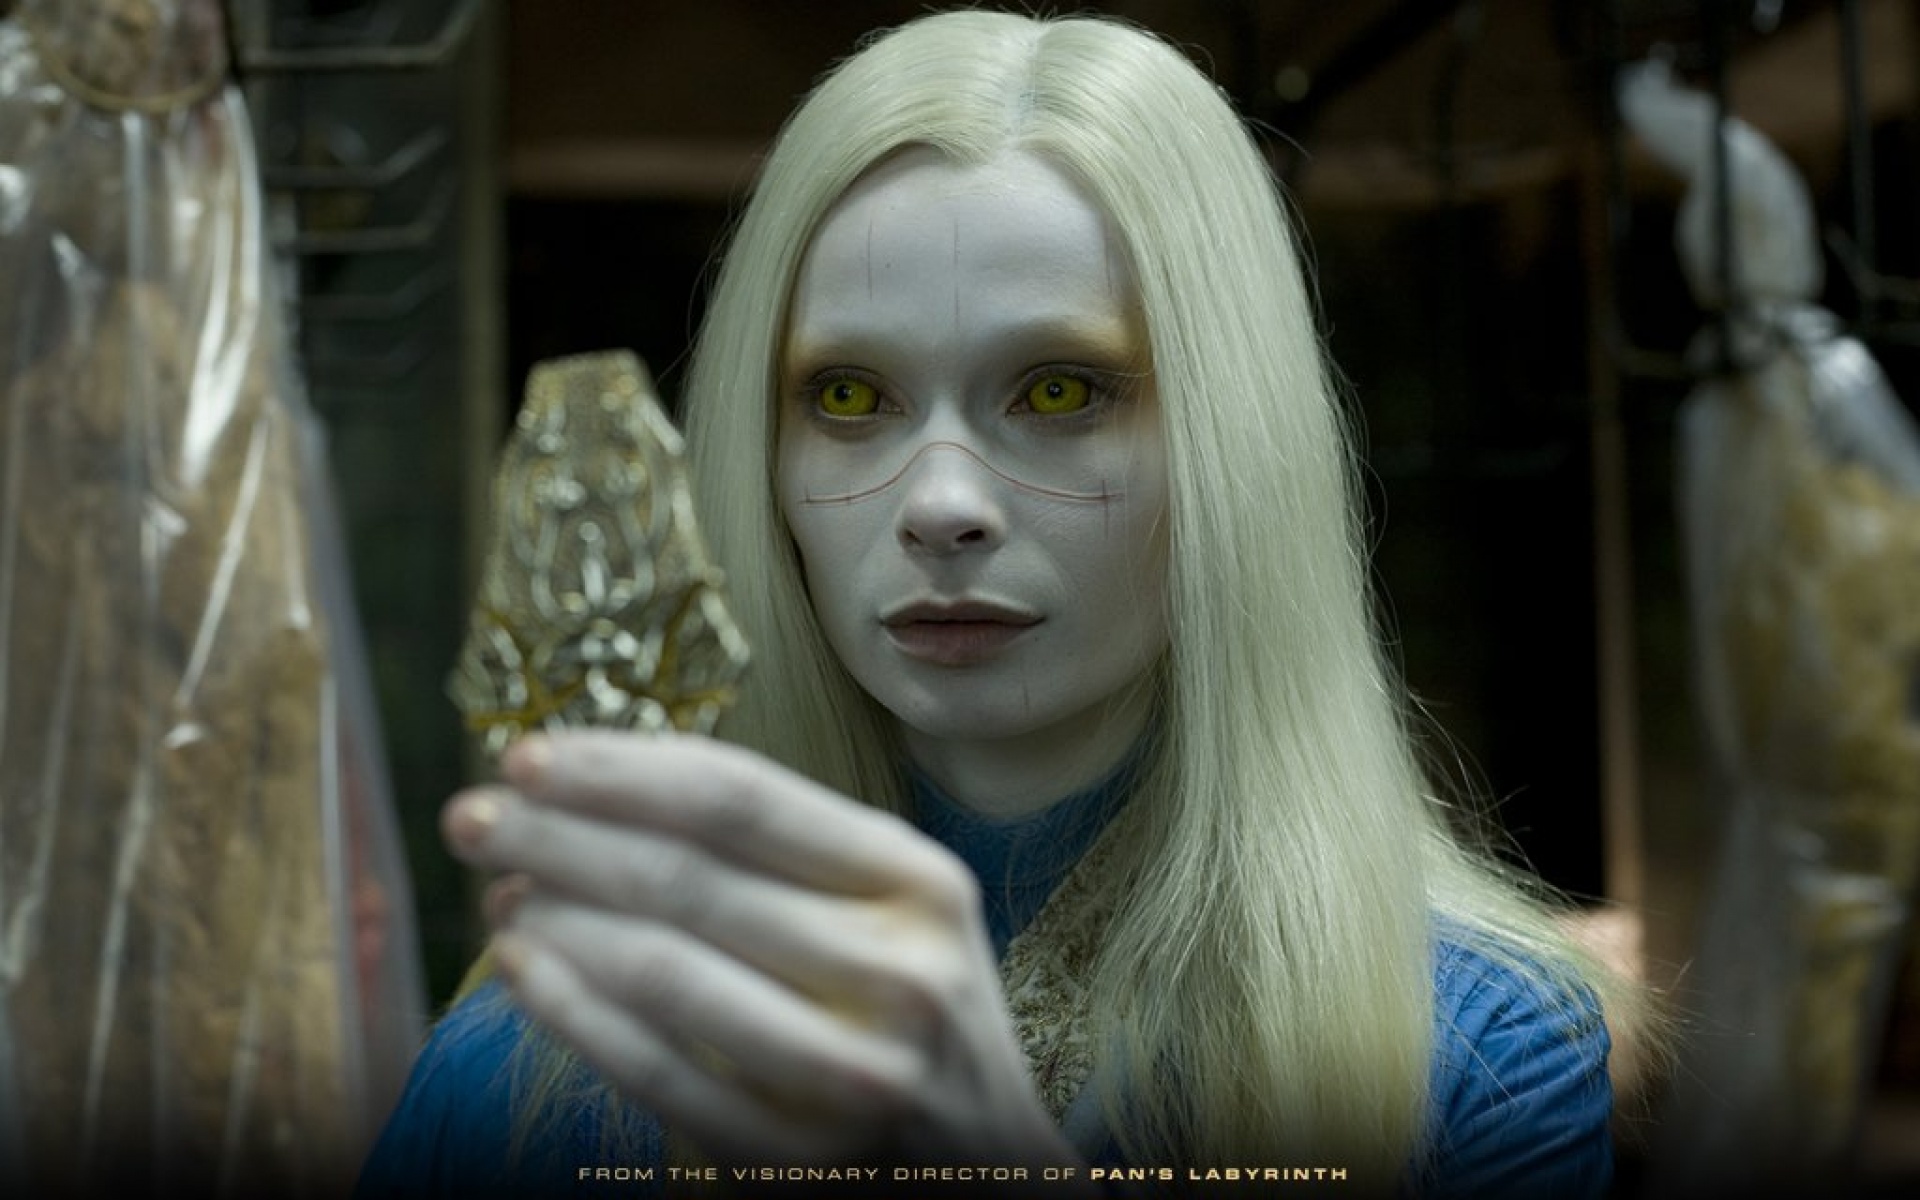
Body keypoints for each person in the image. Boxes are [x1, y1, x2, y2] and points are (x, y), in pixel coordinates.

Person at [356, 8, 1644, 1198]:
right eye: (848, 398)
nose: (941, 505)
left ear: (1230, 443)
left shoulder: (1478, 1055)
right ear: (764, 453)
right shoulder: (528, 1075)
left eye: (1060, 391)